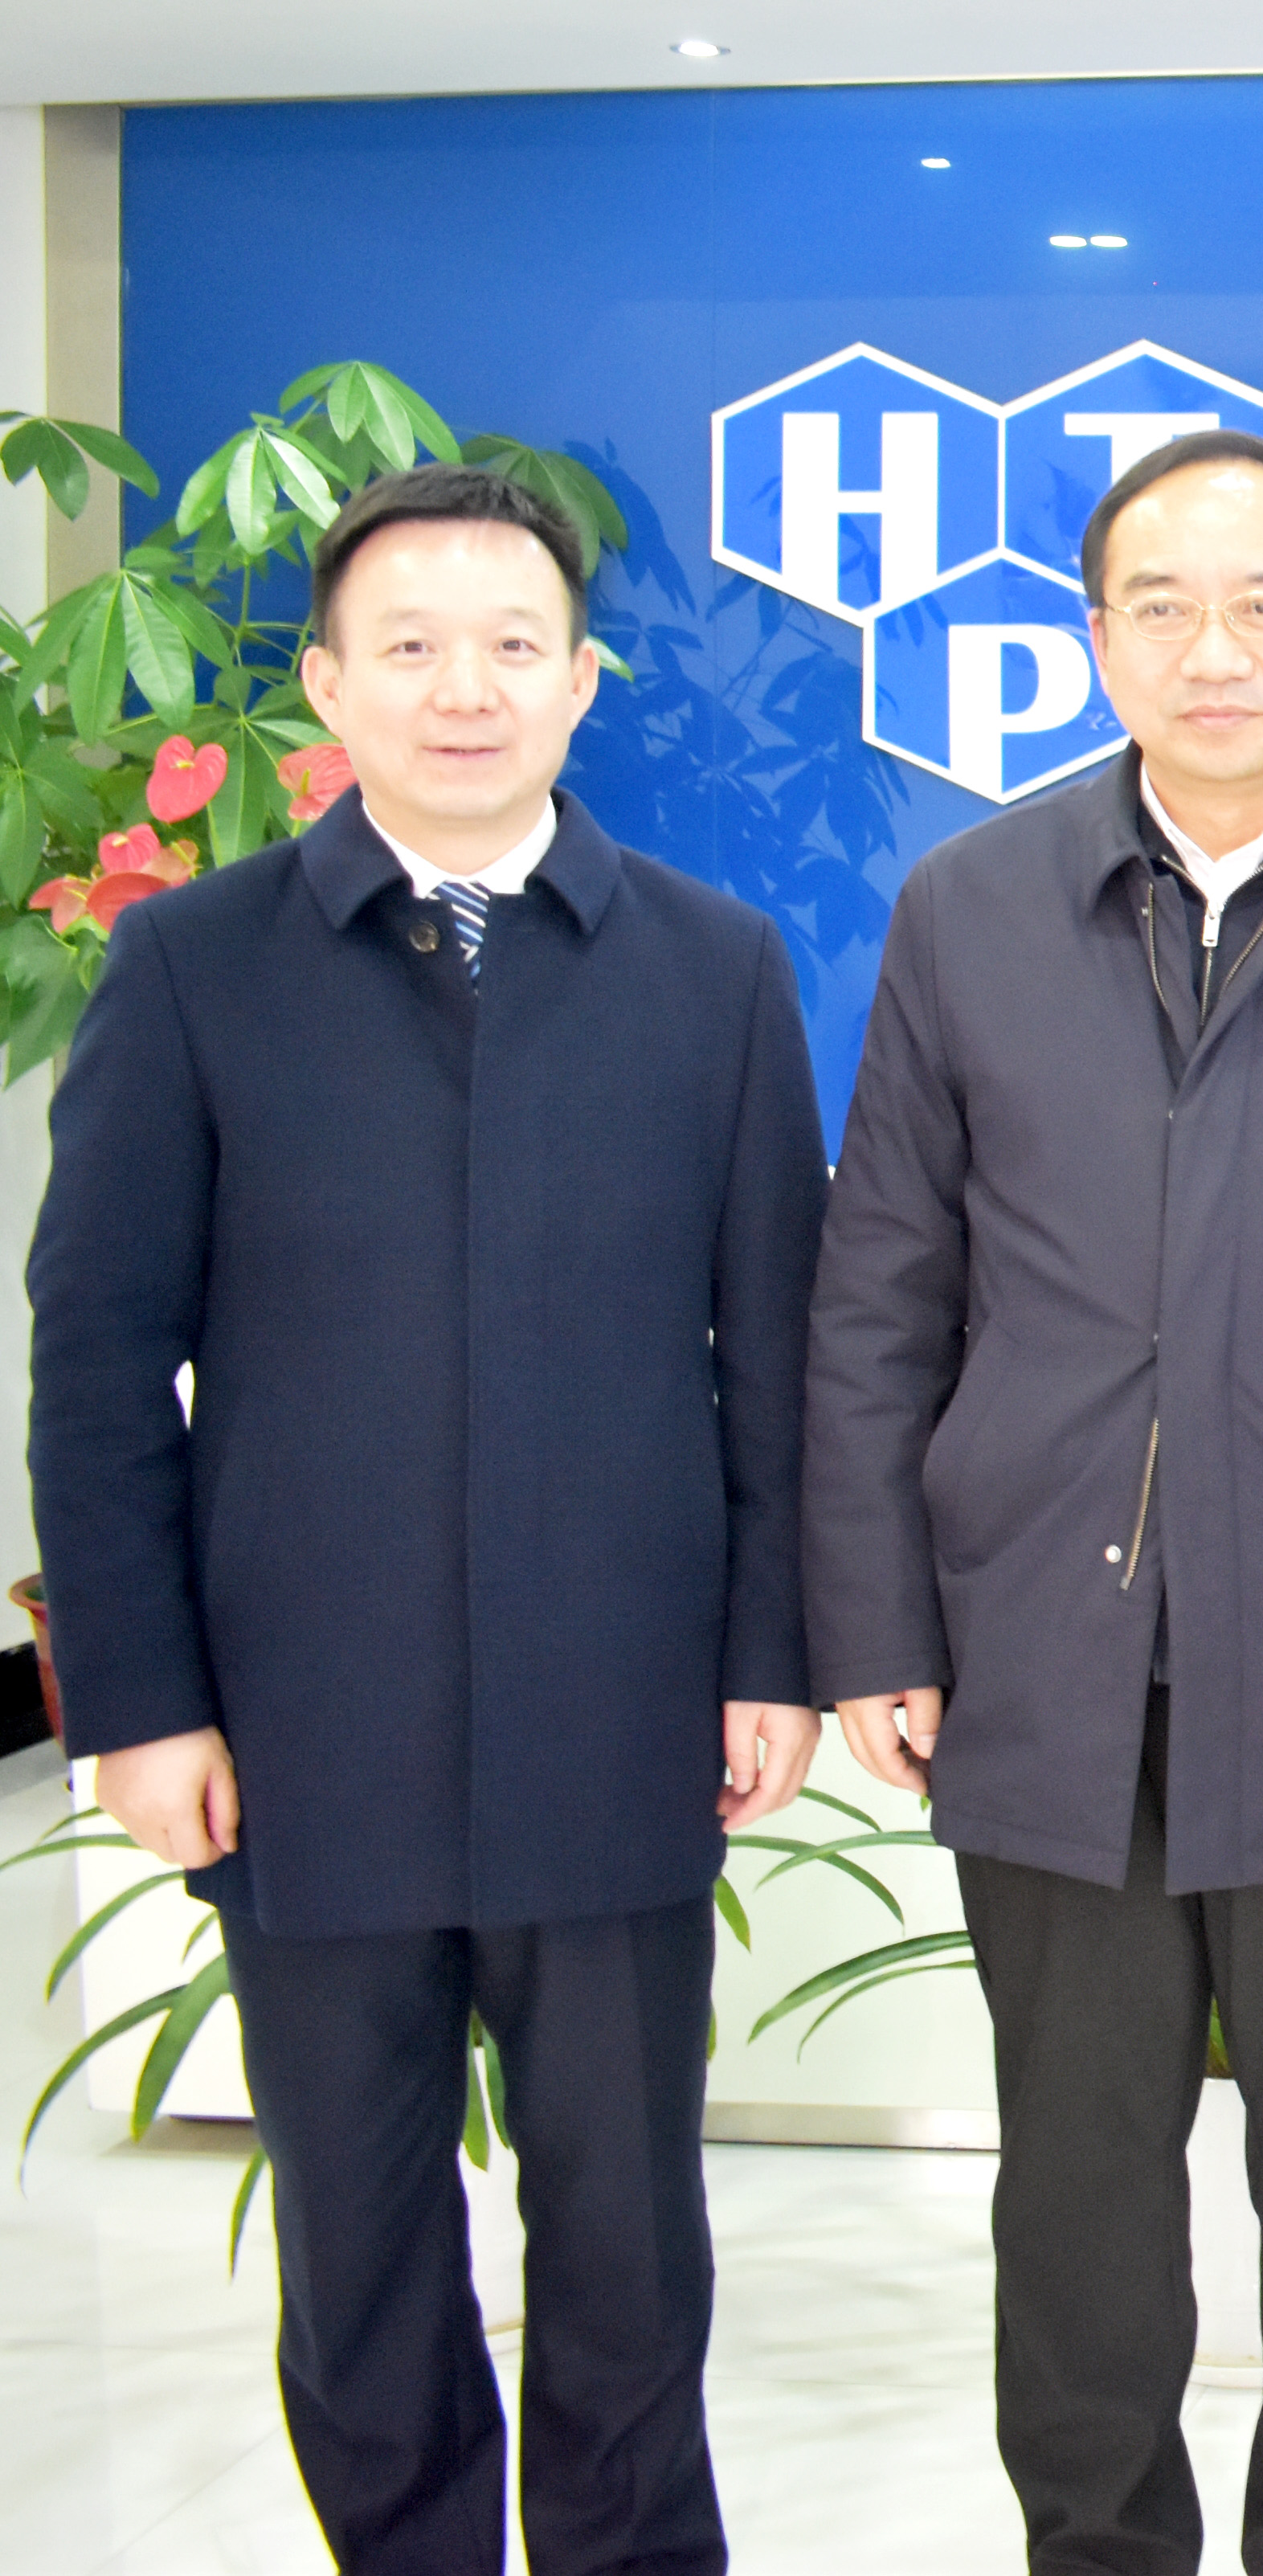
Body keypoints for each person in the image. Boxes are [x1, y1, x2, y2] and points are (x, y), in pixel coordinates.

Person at [27, 462, 829, 2573]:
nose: (462, 689)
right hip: (310, 1732)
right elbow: (97, 1363)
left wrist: (770, 1653)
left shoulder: (714, 968)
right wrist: (140, 1702)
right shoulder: (193, 967)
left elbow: (781, 1347)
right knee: (360, 2253)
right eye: (408, 647)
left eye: (509, 646)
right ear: (326, 687)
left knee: (630, 2246)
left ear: (581, 681)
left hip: (620, 1721)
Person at [806, 429, 1263, 2575]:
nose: (1212, 649)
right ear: (1094, 636)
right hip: (1047, 1648)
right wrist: (876, 1621)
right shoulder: (971, 906)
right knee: (1076, 2175)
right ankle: (1096, 2540)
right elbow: (880, 1291)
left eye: (1262, 605)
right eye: (1162, 605)